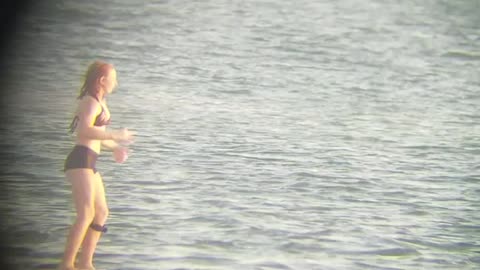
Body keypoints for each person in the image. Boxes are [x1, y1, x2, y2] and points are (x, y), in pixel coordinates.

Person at [60, 60, 135, 270]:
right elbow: (84, 131)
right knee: (85, 214)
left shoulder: (100, 103)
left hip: (90, 161)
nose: (116, 83)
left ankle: (85, 263)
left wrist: (115, 147)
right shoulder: (90, 102)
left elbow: (97, 136)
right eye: (113, 79)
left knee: (101, 212)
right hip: (80, 160)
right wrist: (114, 134)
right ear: (102, 81)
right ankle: (66, 264)